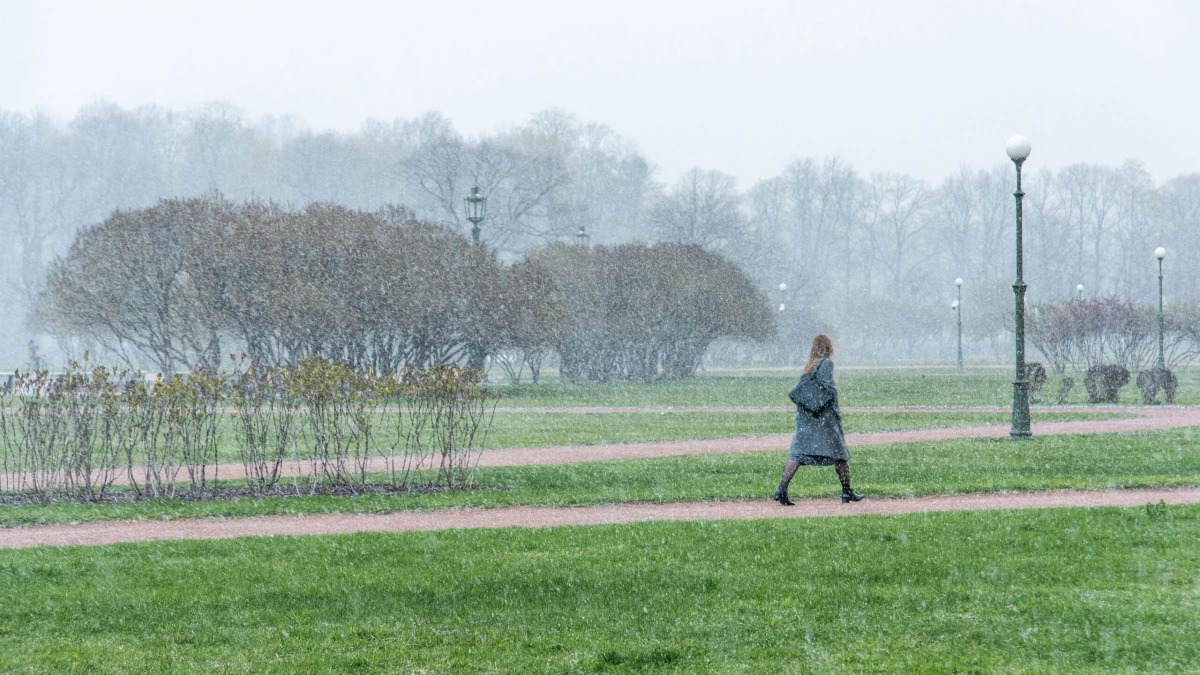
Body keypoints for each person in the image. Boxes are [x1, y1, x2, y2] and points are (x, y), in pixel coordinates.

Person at [772, 334, 863, 505]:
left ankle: (781, 489)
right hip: (824, 417)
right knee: (839, 454)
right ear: (828, 347)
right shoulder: (827, 362)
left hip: (806, 416)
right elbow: (828, 389)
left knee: (798, 453)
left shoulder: (810, 364)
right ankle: (846, 491)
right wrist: (832, 393)